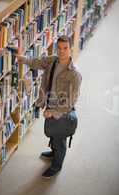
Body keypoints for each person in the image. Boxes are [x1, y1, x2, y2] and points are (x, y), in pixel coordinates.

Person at [17, 35, 82, 178]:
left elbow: (71, 101)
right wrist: (22, 59)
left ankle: (56, 166)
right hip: (49, 104)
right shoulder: (52, 61)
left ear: (70, 49)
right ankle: (53, 152)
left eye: (65, 48)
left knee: (59, 138)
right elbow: (37, 63)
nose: (61, 51)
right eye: (59, 48)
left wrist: (54, 112)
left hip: (62, 110)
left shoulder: (75, 75)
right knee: (53, 132)